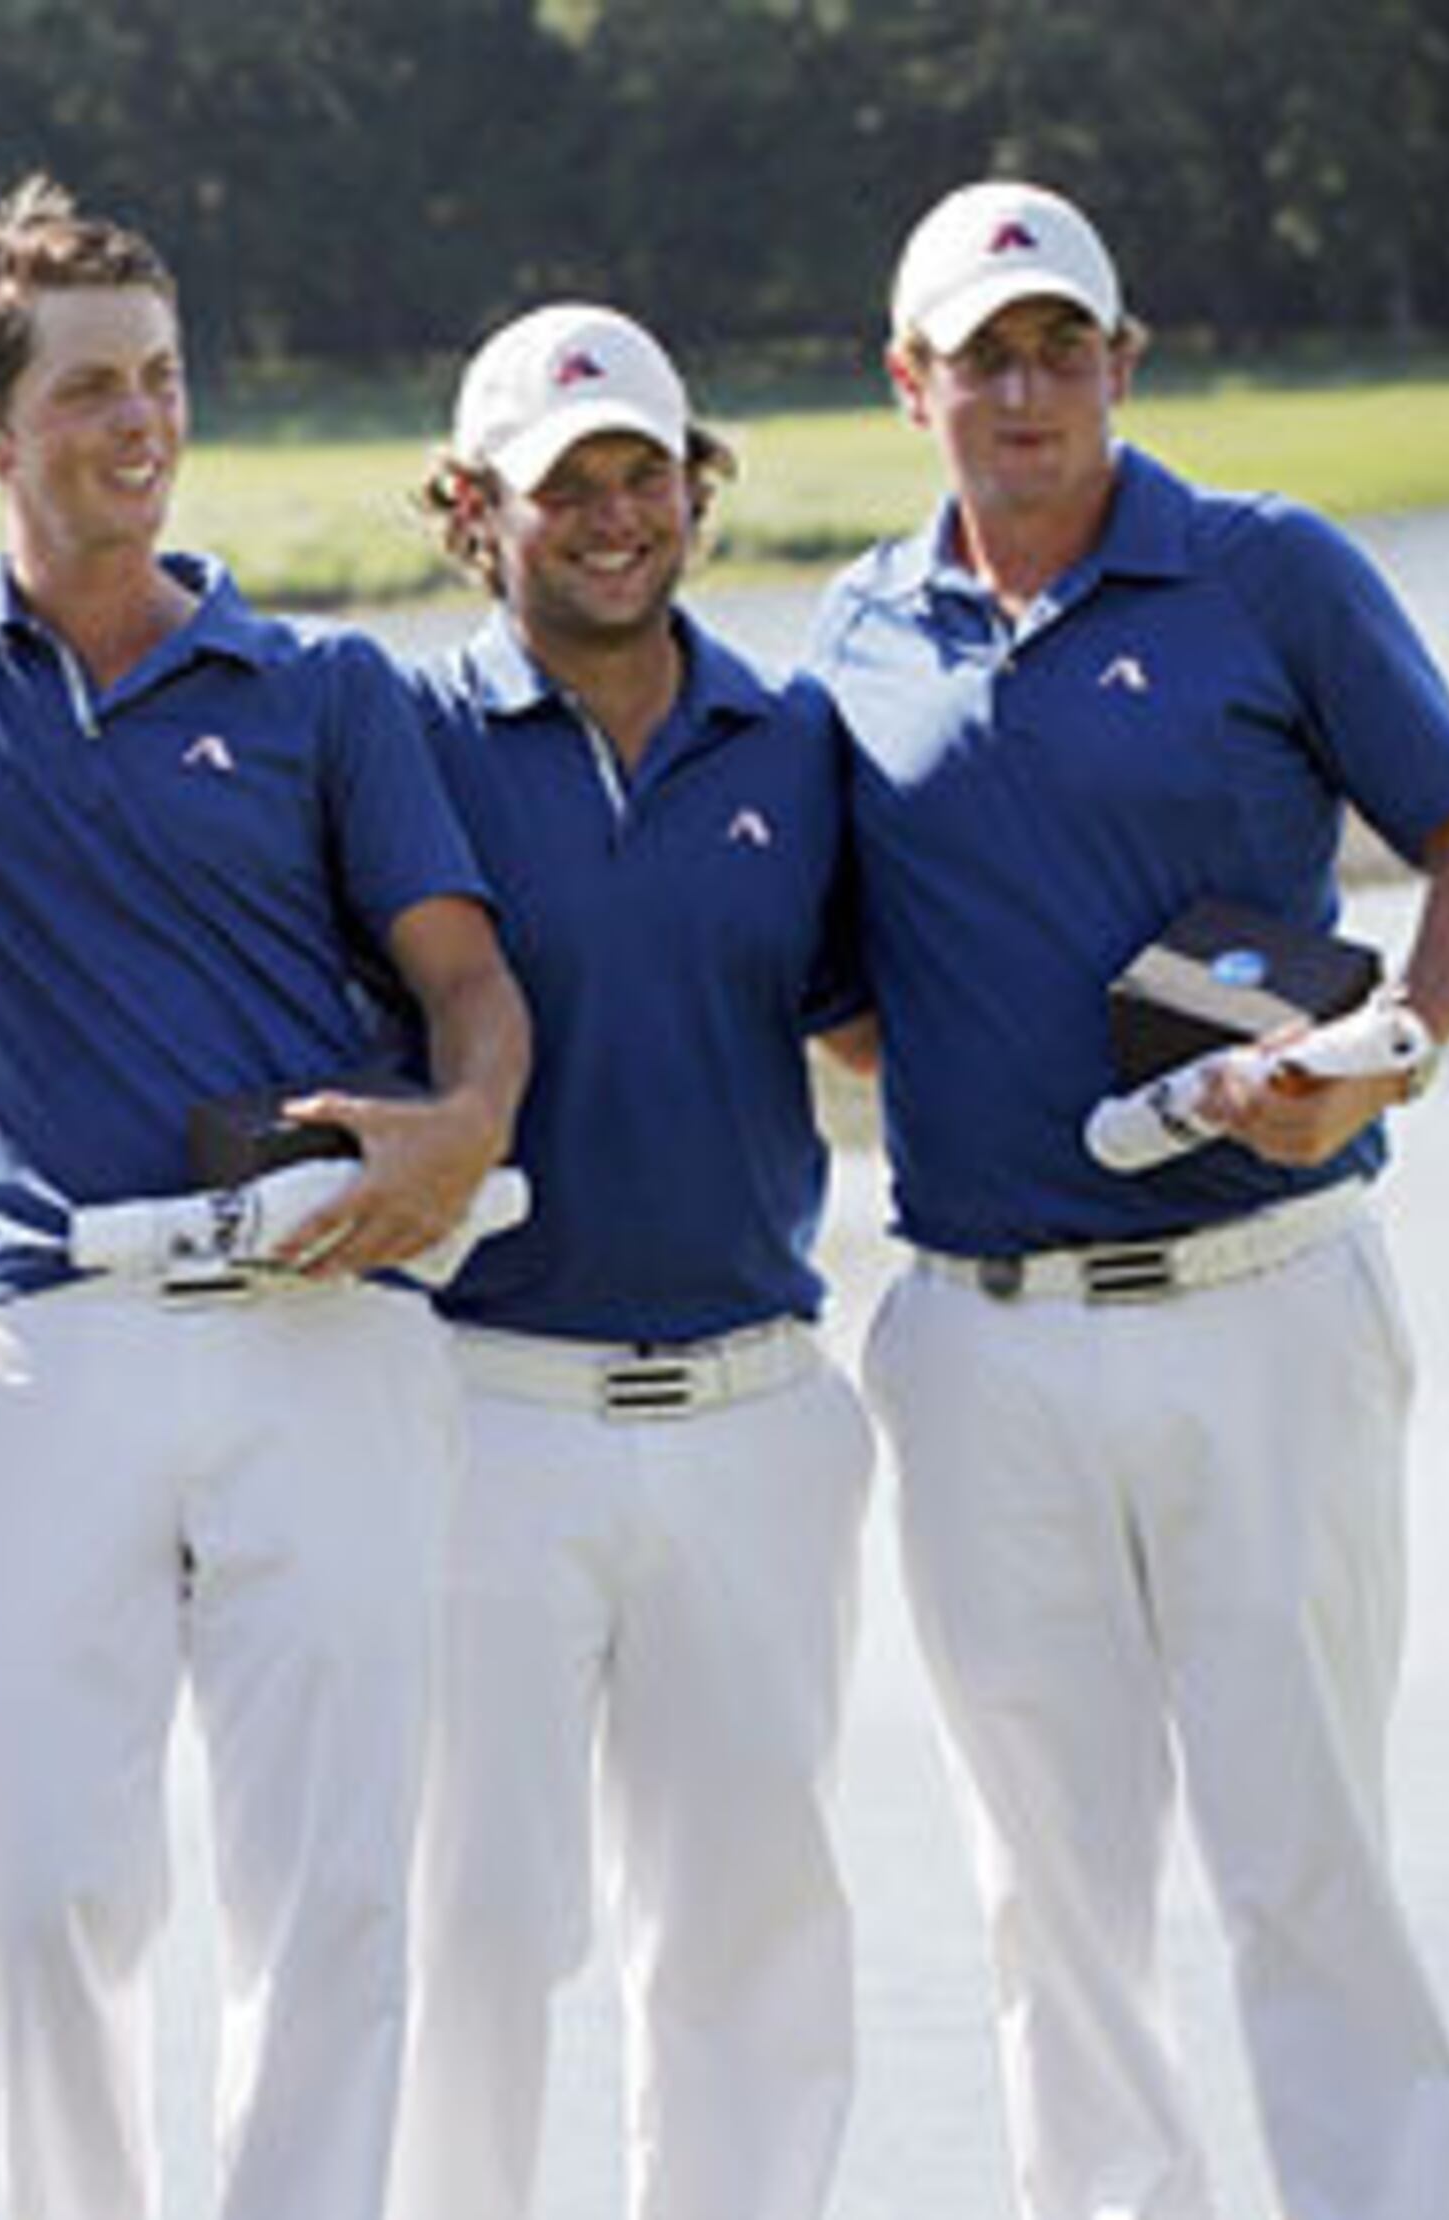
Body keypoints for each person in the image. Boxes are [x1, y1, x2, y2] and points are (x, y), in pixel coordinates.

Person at [807, 179, 1449, 2220]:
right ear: (910, 382)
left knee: (1303, 1847)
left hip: (1269, 1299)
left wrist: (1387, 1049)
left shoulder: (1265, 572)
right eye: (984, 354)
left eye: (1062, 348)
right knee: (1049, 1890)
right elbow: (853, 996)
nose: (1024, 387)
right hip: (978, 1342)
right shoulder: (853, 632)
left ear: (1124, 364)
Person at [0, 177, 530, 2220]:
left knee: (330, 1897)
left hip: (328, 1324)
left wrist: (465, 1128)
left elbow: (469, 985)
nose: (139, 424)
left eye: (162, 381)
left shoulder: (327, 696)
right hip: (54, 1333)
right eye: (89, 393)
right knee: (22, 1879)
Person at [379, 304, 875, 2220]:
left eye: (640, 475)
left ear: (695, 485)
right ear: (470, 508)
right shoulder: (400, 734)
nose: (609, 518)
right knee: (477, 1932)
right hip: (484, 1413)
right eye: (558, 486)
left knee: (750, 1931)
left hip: (758, 1409)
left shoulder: (797, 738)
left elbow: (874, 1020)